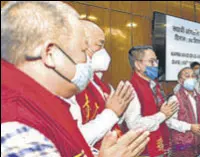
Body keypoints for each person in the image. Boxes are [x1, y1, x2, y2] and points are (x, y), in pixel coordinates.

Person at [1, 2, 148, 157]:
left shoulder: (43, 102)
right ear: (50, 54)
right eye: (84, 51)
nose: (87, 61)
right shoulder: (17, 124)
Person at [63, 20, 133, 150]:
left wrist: (119, 109)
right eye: (99, 45)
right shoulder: (63, 85)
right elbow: (74, 139)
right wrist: (111, 113)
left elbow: (114, 119)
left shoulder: (95, 81)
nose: (103, 52)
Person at [124, 45, 178, 156]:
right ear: (138, 64)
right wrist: (162, 115)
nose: (155, 65)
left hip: (162, 144)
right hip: (144, 150)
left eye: (156, 61)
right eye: (151, 61)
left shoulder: (155, 85)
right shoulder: (131, 88)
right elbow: (134, 124)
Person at [166, 67, 200, 151]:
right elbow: (169, 121)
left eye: (193, 76)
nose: (191, 79)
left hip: (199, 142)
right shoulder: (175, 99)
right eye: (187, 76)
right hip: (182, 144)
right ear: (180, 81)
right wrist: (190, 127)